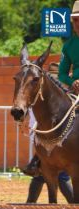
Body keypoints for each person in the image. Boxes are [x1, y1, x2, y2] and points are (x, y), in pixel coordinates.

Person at [23, 1, 79, 174]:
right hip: (75, 91)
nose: (78, 24)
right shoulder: (68, 45)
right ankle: (39, 159)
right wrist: (72, 83)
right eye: (75, 21)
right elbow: (62, 74)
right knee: (51, 113)